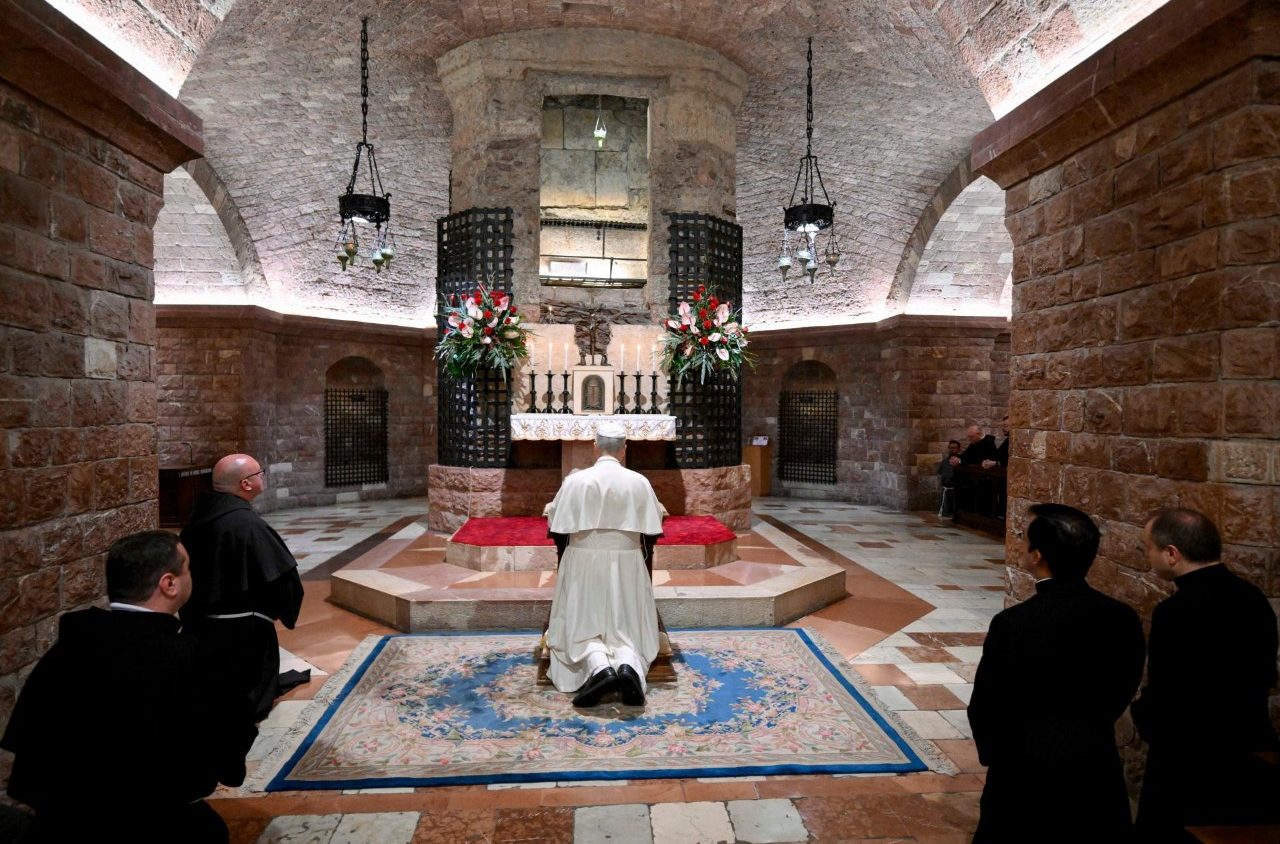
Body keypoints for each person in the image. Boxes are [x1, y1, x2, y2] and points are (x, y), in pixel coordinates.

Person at [1, 531, 255, 843]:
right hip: (149, 824)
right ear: (169, 584)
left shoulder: (69, 647)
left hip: (60, 823)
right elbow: (230, 735)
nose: (192, 575)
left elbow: (31, 746)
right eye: (187, 567)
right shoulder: (188, 659)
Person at [968, 503, 1145, 843]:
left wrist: (996, 755)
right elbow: (1124, 685)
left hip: (1023, 771)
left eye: (1023, 538)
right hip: (1094, 765)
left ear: (1038, 555)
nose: (1020, 544)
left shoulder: (1013, 623)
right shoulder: (1121, 617)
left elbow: (987, 702)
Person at [1132, 508, 1280, 841]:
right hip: (1247, 747)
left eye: (1148, 547)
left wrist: (1143, 715)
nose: (1147, 555)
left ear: (1172, 554)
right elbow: (1265, 673)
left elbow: (1168, 691)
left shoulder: (1176, 611)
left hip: (1189, 758)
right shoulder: (1253, 597)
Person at [544, 421, 664, 707]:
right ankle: (628, 666)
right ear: (624, 449)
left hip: (584, 562)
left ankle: (598, 666)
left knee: (584, 617)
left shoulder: (576, 481)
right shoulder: (639, 482)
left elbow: (555, 521)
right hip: (627, 563)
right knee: (625, 622)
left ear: (594, 446)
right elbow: (654, 524)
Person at [180, 453, 304, 723]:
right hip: (243, 634)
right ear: (246, 484)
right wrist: (276, 608)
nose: (263, 477)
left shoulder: (197, 518)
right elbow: (283, 579)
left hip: (203, 628)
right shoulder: (247, 525)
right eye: (260, 473)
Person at [937, 440, 961, 518]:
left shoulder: (961, 461)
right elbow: (940, 472)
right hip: (946, 489)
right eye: (950, 448)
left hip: (957, 489)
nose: (952, 449)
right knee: (945, 514)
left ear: (958, 449)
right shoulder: (944, 461)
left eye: (954, 448)